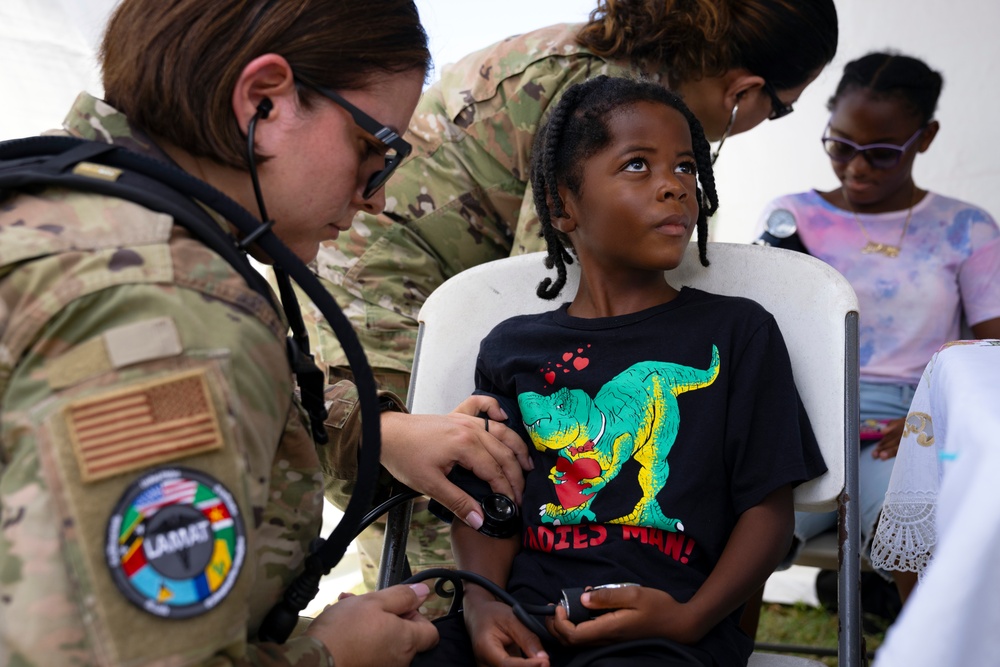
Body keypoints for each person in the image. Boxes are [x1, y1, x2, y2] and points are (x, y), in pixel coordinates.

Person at [0, 1, 531, 665]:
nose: (377, 198)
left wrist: (373, 433)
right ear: (265, 103)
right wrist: (330, 654)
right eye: (375, 151)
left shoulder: (58, 211)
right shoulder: (171, 318)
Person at [306, 0, 840, 602]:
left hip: (397, 266)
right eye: (783, 108)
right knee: (446, 502)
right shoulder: (606, 101)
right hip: (380, 284)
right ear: (744, 89)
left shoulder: (616, 74)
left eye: (684, 168)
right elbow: (562, 281)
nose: (672, 182)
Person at [409, 75, 826, 667]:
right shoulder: (512, 346)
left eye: (686, 167)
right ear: (562, 204)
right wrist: (482, 604)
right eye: (637, 165)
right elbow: (489, 501)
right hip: (524, 616)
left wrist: (691, 618)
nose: (674, 188)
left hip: (668, 628)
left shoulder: (739, 332)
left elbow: (769, 509)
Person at [756, 51, 1000, 604]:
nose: (857, 168)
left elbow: (994, 353)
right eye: (841, 146)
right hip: (801, 417)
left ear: (926, 137)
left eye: (883, 153)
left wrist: (934, 415)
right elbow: (760, 333)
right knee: (743, 532)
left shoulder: (967, 228)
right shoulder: (789, 218)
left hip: (911, 428)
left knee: (918, 529)